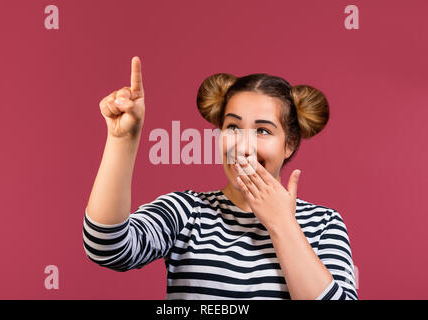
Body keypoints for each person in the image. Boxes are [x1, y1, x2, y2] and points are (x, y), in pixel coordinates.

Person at [83, 56, 358, 300]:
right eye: (233, 127)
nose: (243, 146)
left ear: (290, 144)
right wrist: (123, 139)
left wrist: (282, 224)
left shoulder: (324, 224)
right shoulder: (187, 212)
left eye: (263, 131)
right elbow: (106, 247)